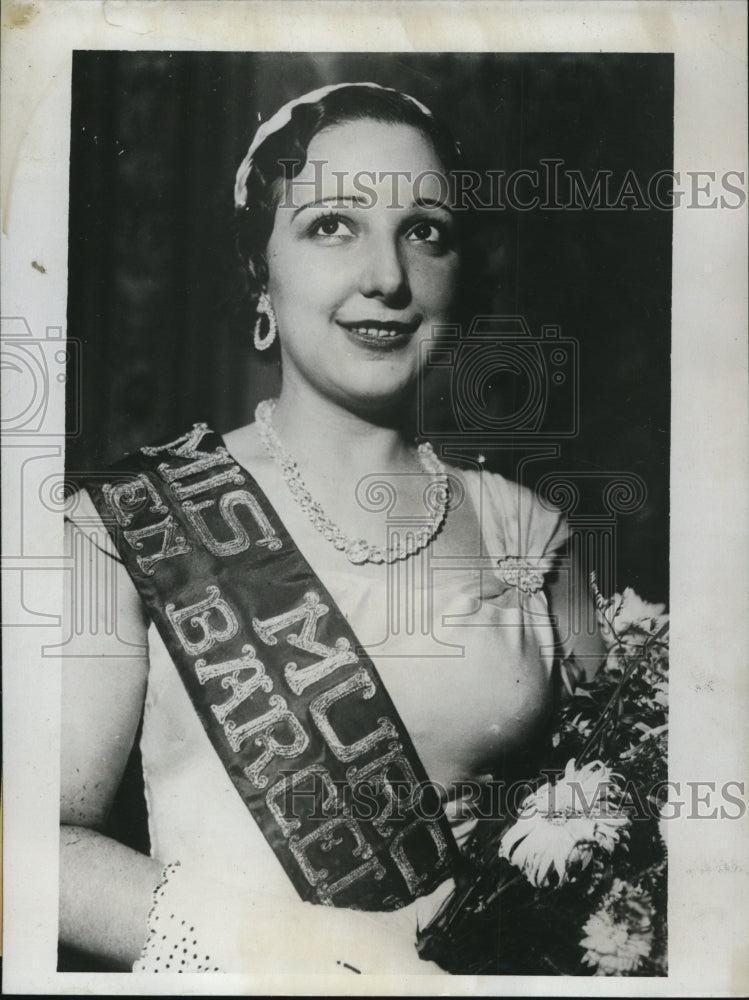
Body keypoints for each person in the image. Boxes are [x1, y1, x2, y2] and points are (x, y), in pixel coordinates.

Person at [59, 82, 604, 975]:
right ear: (258, 274)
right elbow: (39, 852)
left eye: (424, 229)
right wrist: (293, 951)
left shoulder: (532, 534)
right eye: (332, 226)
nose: (387, 277)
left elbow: (615, 808)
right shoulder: (126, 528)